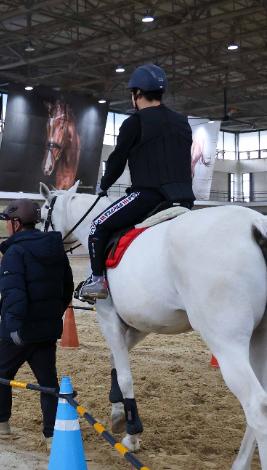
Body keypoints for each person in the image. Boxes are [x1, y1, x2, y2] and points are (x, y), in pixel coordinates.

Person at [78, 64, 194, 301]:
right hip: (184, 198)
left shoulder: (135, 121)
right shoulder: (182, 122)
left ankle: (97, 281)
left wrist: (104, 184)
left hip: (149, 197)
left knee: (97, 226)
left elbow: (118, 158)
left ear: (137, 93)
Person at [0, 199, 74, 448]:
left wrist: (14, 327)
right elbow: (67, 288)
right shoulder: (56, 249)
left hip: (19, 329)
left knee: (2, 374)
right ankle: (51, 434)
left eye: (9, 221)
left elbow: (14, 294)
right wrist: (53, 314)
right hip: (47, 328)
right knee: (48, 383)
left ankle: (0, 421)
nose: (8, 226)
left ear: (17, 223)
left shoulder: (14, 251)